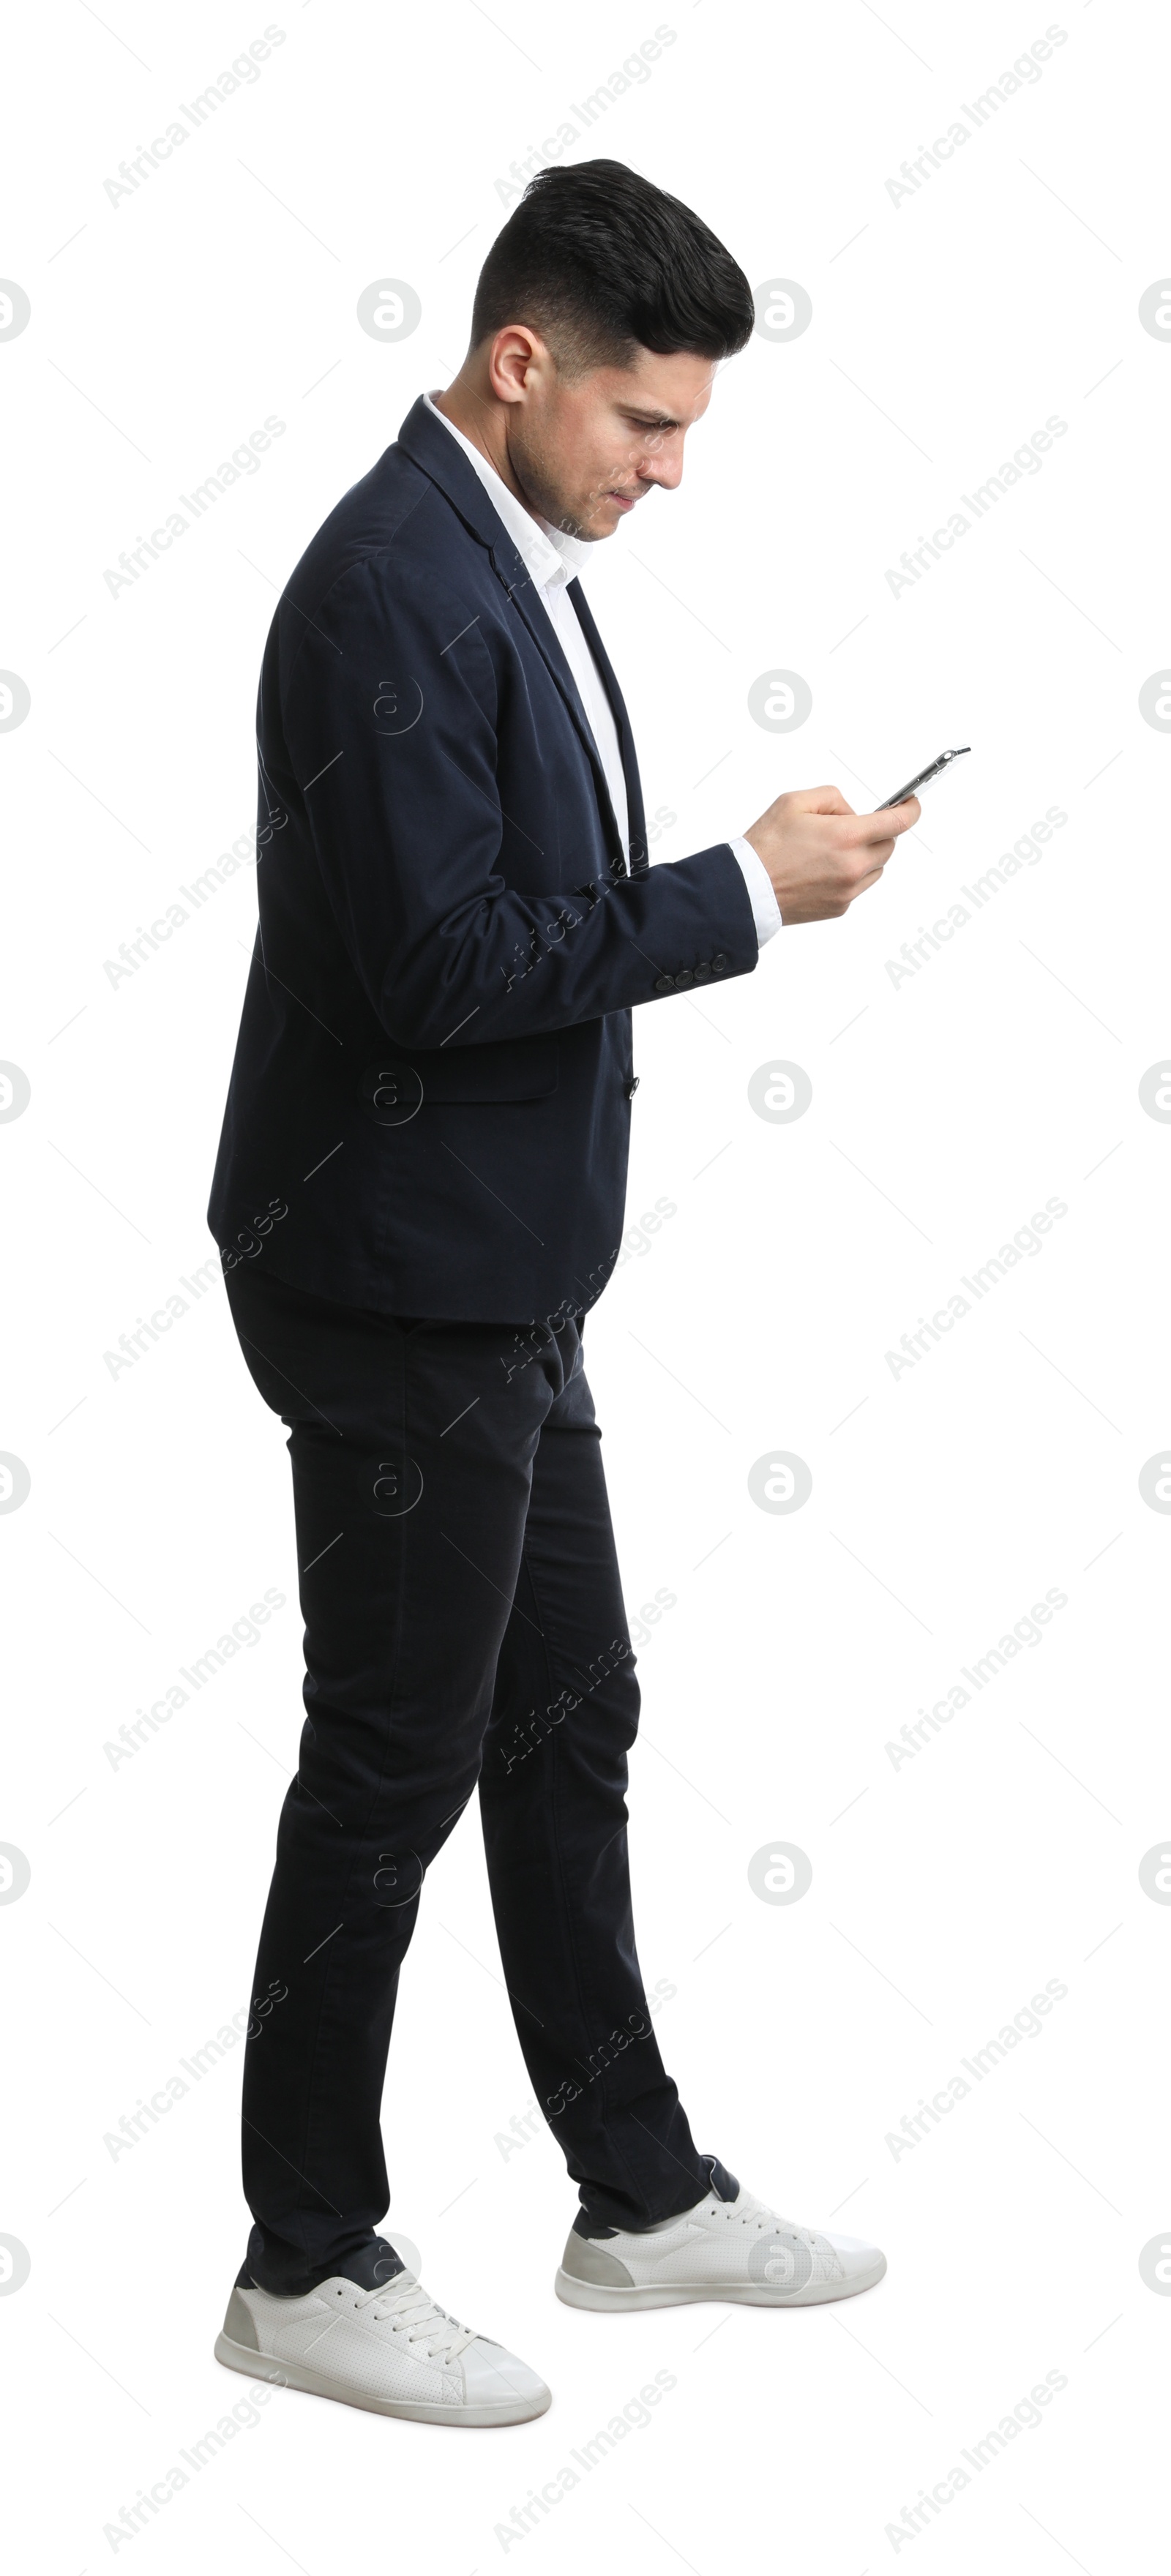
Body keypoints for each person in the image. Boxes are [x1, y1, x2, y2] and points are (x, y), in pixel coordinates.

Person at [206, 157, 919, 2428]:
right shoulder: (388, 586)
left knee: (563, 1728)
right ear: (524, 363)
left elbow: (512, 901)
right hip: (391, 1280)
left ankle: (636, 2201)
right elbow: (433, 976)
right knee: (391, 1766)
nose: (669, 473)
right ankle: (304, 2258)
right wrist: (740, 892)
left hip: (505, 1278)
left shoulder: (506, 547)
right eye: (646, 424)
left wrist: (722, 882)